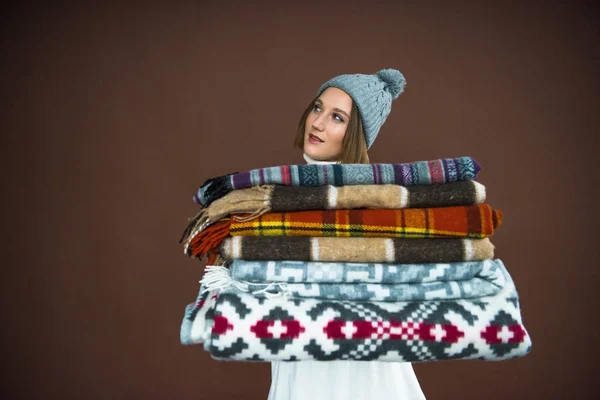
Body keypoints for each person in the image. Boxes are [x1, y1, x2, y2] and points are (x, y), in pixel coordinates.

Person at [267, 69, 427, 400]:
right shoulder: (279, 198)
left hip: (358, 375)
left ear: (355, 134)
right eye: (317, 108)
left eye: (337, 117)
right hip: (297, 365)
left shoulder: (373, 205)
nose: (318, 123)